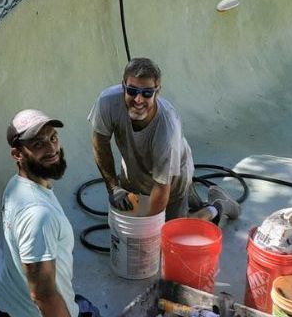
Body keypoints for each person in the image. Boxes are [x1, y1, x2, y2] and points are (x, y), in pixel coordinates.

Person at [0, 109, 106, 317]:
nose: (52, 148)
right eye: (39, 144)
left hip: (4, 314)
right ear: (18, 153)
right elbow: (43, 295)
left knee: (76, 302)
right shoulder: (38, 215)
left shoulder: (16, 187)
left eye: (53, 138)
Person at [88, 58, 241, 223]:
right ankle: (190, 199)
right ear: (123, 85)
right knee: (131, 216)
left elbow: (161, 187)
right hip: (133, 170)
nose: (138, 100)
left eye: (147, 93)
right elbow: (100, 144)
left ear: (157, 91)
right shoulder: (107, 102)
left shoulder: (168, 129)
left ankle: (217, 206)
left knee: (173, 231)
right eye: (132, 91)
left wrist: (146, 229)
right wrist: (114, 188)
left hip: (172, 176)